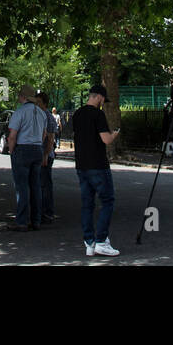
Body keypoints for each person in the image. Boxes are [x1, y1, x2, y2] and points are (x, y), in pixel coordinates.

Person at [73, 84, 120, 257]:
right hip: (98, 164)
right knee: (107, 200)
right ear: (99, 96)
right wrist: (114, 134)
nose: (102, 103)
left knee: (87, 203)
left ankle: (89, 242)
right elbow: (105, 139)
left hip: (81, 164)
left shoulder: (77, 114)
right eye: (103, 100)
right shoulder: (98, 114)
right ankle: (101, 240)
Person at [6, 85, 48, 231]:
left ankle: (22, 221)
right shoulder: (42, 113)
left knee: (22, 186)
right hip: (37, 149)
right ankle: (36, 220)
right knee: (35, 185)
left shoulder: (20, 112)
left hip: (22, 148)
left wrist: (11, 151)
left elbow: (12, 136)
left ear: (23, 97)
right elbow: (44, 134)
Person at [36, 92, 58, 223]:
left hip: (46, 156)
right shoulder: (40, 115)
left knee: (45, 184)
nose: (36, 105)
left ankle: (47, 212)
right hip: (41, 154)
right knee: (41, 184)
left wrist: (45, 155)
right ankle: (42, 211)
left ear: (44, 103)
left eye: (39, 102)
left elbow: (50, 139)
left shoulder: (48, 117)